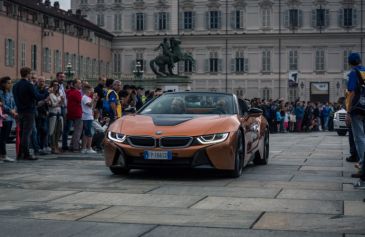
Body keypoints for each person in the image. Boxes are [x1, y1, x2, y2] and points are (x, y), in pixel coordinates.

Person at [12, 67, 49, 160]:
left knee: (22, 133)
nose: (31, 75)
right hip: (29, 111)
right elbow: (37, 97)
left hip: (20, 111)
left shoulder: (15, 85)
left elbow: (16, 99)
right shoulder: (29, 85)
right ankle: (26, 154)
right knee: (26, 133)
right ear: (28, 74)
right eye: (30, 74)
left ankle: (20, 154)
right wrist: (47, 93)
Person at [345, 52, 365, 188]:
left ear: (350, 62)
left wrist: (348, 111)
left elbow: (351, 92)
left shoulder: (353, 73)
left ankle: (363, 164)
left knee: (359, 137)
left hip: (357, 108)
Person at [62, 79, 83, 152]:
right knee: (78, 130)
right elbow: (81, 102)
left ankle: (71, 145)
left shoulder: (68, 91)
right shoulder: (76, 92)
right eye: (79, 83)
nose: (81, 84)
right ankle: (75, 146)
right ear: (75, 84)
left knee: (71, 130)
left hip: (70, 112)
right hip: (77, 112)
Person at [0, 77, 16, 162]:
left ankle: (3, 155)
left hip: (10, 118)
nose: (10, 84)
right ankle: (3, 155)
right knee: (2, 138)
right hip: (4, 117)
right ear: (3, 84)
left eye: (10, 83)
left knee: (5, 137)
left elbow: (14, 103)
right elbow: (2, 105)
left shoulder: (10, 92)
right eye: (8, 83)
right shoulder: (1, 93)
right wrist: (10, 111)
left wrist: (14, 110)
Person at [34, 76, 50, 154]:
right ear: (38, 82)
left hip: (44, 112)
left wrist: (47, 105)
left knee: (44, 130)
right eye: (40, 81)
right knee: (38, 130)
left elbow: (48, 100)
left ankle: (43, 146)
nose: (42, 83)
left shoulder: (46, 90)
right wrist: (44, 101)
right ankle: (39, 147)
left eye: (43, 81)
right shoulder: (35, 89)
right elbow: (37, 101)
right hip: (37, 112)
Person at [48, 80, 64, 154]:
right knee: (53, 131)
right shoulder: (50, 94)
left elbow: (61, 104)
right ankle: (53, 147)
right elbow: (51, 105)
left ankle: (57, 145)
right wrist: (59, 103)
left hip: (59, 114)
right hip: (53, 114)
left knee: (59, 131)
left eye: (57, 85)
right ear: (51, 86)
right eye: (54, 85)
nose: (56, 86)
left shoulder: (58, 94)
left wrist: (62, 102)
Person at [81, 85, 97, 154]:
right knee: (89, 133)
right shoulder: (84, 97)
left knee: (86, 133)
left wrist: (95, 100)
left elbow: (92, 108)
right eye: (90, 90)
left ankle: (84, 148)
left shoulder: (88, 98)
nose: (91, 92)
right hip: (86, 117)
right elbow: (89, 105)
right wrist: (93, 99)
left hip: (89, 116)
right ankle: (88, 148)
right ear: (86, 90)